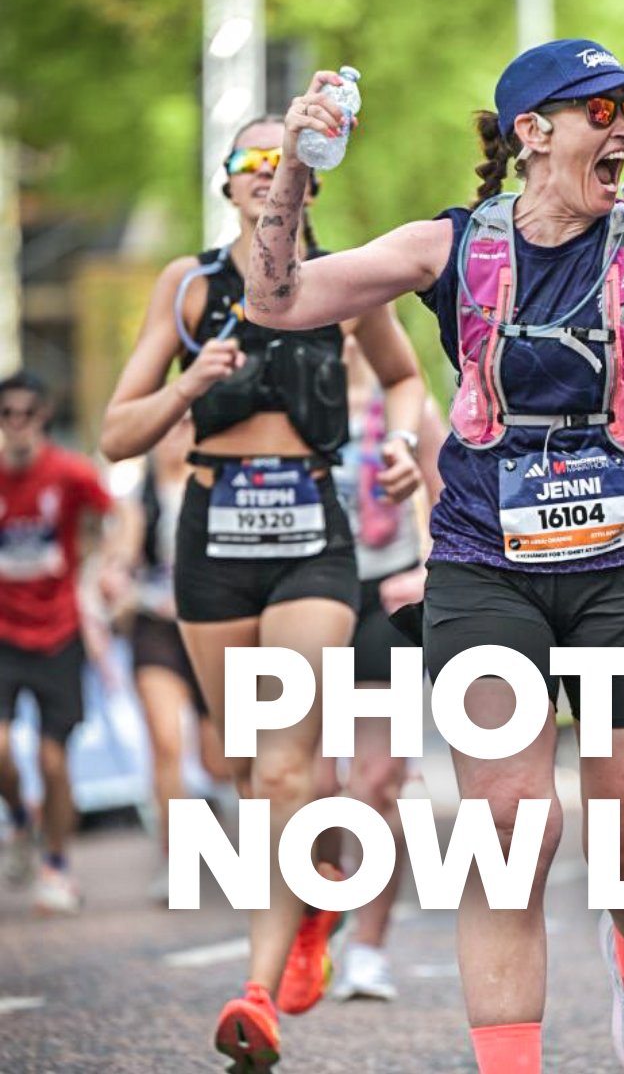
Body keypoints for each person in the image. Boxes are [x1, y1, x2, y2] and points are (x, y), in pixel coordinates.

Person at [247, 40, 624, 1074]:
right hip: (486, 563)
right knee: (508, 829)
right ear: (533, 132)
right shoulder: (448, 247)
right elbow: (277, 303)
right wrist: (295, 174)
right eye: (601, 110)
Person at [99, 115, 424, 1073]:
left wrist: (402, 445)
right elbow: (116, 435)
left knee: (285, 772)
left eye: (286, 161)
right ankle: (313, 900)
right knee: (243, 767)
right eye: (249, 159)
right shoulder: (190, 286)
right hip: (213, 536)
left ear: (310, 184)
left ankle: (255, 992)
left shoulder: (344, 282)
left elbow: (404, 379)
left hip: (311, 540)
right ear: (228, 181)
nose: (266, 173)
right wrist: (187, 384)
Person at [276, 337, 445, 1013]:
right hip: (308, 596)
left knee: (375, 783)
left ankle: (369, 950)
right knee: (315, 786)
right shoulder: (287, 397)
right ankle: (321, 910)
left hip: (385, 598)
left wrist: (429, 569)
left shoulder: (406, 402)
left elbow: (448, 495)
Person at [98, 415, 232, 903]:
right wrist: (115, 573)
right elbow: (120, 551)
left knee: (219, 761)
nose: (174, 437)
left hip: (213, 628)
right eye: (166, 429)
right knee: (165, 742)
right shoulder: (138, 498)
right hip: (157, 630)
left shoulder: (219, 485)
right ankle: (176, 859)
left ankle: (216, 807)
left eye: (184, 426)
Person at [0, 369, 113, 914]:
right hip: (3, 632)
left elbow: (121, 516)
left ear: (43, 415)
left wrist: (109, 567)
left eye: (27, 413)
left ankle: (57, 865)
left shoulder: (68, 472)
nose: (17, 424)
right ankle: (20, 819)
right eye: (7, 414)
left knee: (52, 760)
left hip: (59, 631)